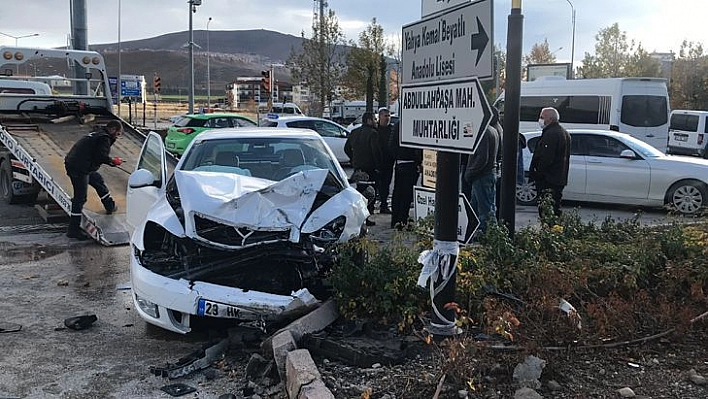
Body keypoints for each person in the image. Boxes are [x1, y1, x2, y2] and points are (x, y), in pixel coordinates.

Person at [64, 120, 124, 240]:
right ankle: (73, 230)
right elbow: (100, 156)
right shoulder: (104, 138)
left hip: (81, 165)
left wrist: (109, 161)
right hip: (79, 168)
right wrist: (113, 161)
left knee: (97, 180)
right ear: (112, 129)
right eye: (117, 134)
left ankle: (110, 206)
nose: (117, 137)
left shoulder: (98, 133)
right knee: (80, 198)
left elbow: (96, 154)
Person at [463, 113, 501, 237]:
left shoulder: (483, 132)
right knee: (477, 205)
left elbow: (481, 158)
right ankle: (475, 231)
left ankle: (487, 234)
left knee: (485, 208)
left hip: (481, 175)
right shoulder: (492, 129)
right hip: (487, 174)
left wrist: (469, 173)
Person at [529, 107, 571, 219]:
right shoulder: (563, 133)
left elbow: (546, 158)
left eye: (542, 117)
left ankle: (550, 230)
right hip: (558, 178)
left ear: (551, 119)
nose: (540, 120)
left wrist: (538, 174)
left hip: (549, 180)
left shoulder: (552, 134)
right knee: (554, 208)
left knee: (547, 209)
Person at [344, 112, 382, 226]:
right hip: (370, 168)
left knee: (360, 192)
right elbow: (376, 152)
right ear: (369, 120)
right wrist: (378, 166)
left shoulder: (354, 132)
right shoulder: (373, 134)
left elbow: (346, 148)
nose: (376, 122)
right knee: (370, 193)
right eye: (374, 120)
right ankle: (366, 217)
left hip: (358, 168)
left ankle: (358, 217)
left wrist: (353, 159)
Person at [388, 121, 422, 229]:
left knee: (398, 192)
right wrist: (419, 161)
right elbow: (417, 146)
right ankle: (402, 220)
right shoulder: (413, 123)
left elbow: (391, 145)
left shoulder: (399, 124)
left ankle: (395, 219)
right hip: (410, 163)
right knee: (406, 194)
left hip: (400, 162)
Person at [376, 107, 395, 214]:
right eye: (385, 116)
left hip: (388, 162)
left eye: (389, 116)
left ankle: (384, 205)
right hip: (376, 161)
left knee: (386, 184)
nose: (387, 118)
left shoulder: (392, 129)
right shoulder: (375, 129)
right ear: (380, 117)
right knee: (377, 184)